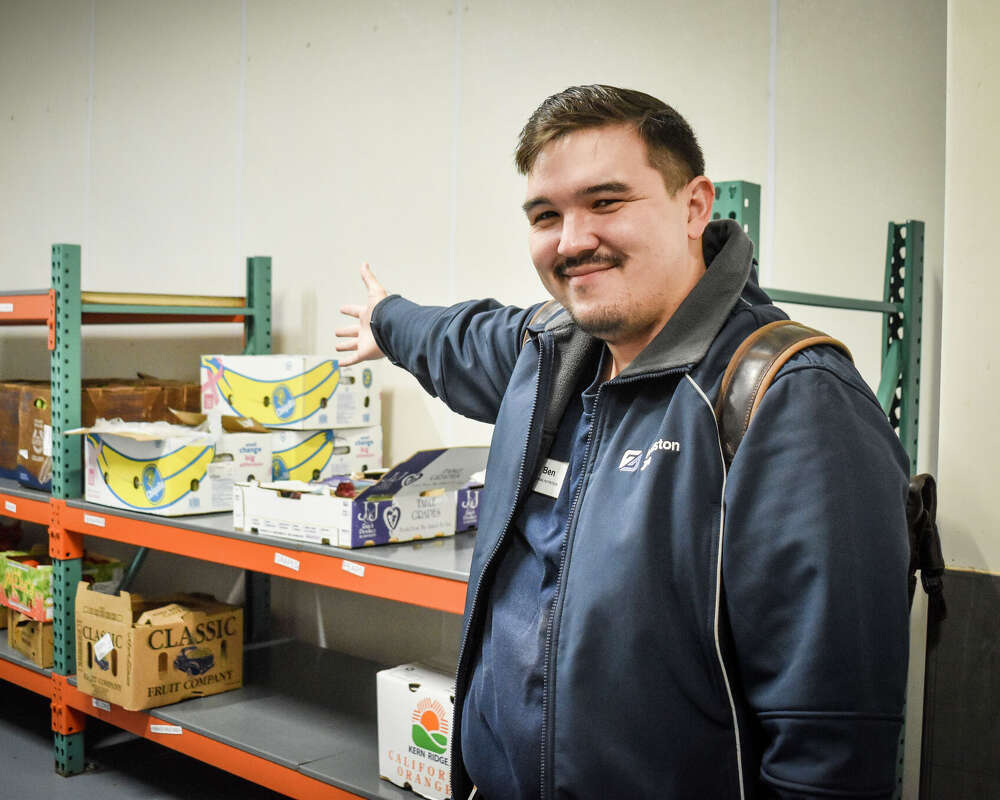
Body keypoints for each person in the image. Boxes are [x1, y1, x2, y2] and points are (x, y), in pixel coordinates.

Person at [335, 85, 910, 799]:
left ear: (694, 207)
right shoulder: (548, 355)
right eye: (547, 215)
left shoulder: (789, 400)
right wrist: (386, 321)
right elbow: (452, 336)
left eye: (605, 202)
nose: (572, 241)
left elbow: (830, 746)